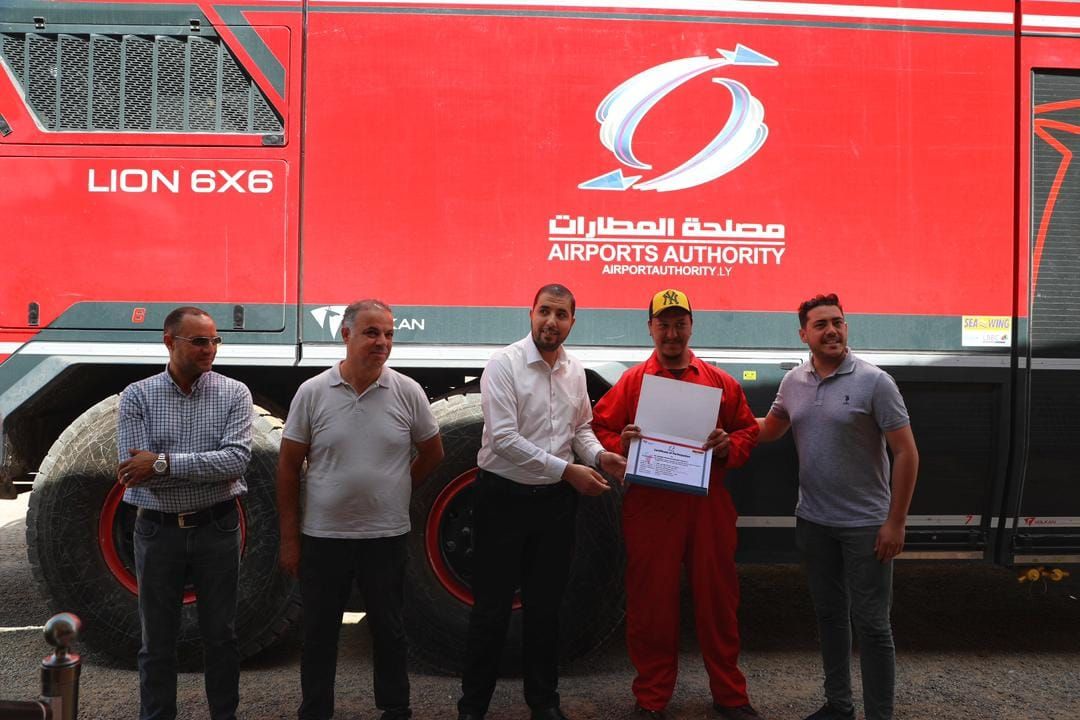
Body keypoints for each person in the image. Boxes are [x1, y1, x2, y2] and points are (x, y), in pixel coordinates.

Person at [591, 289, 763, 720]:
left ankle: (730, 695)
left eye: (679, 324)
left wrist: (728, 445)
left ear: (691, 326)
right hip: (652, 507)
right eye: (663, 324)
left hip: (707, 507)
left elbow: (747, 430)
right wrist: (621, 442)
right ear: (650, 328)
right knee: (651, 603)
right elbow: (599, 429)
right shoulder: (633, 383)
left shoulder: (719, 382)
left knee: (718, 601)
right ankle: (652, 697)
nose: (672, 333)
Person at [457, 284, 627, 720]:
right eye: (545, 312)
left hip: (554, 506)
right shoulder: (504, 364)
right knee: (491, 610)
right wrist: (568, 471)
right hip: (503, 499)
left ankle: (544, 703)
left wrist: (599, 457)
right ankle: (472, 707)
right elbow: (503, 439)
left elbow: (580, 429)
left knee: (546, 609)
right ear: (530, 313)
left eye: (561, 314)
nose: (552, 321)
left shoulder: (574, 370)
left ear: (573, 321)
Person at [277, 299, 444, 720]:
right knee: (319, 633)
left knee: (389, 629)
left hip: (385, 536)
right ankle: (315, 711)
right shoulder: (313, 392)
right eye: (372, 333)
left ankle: (395, 708)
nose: (382, 342)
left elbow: (433, 452)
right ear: (346, 334)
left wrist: (398, 486)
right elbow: (288, 466)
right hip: (324, 537)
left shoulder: (407, 391)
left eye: (388, 334)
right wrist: (289, 539)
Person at [756, 293, 919, 720]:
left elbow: (906, 453)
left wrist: (896, 522)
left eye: (837, 322)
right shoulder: (793, 382)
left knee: (873, 625)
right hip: (814, 521)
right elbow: (769, 429)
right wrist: (716, 427)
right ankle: (839, 706)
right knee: (830, 617)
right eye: (821, 324)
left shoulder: (875, 382)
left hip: (866, 526)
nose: (831, 330)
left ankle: (879, 715)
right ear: (803, 334)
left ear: (846, 327)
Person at [117, 306, 253, 720]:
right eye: (198, 341)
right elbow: (132, 472)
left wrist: (161, 463)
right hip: (158, 532)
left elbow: (236, 461)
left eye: (214, 340)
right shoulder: (137, 396)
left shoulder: (235, 393)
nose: (210, 349)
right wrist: (204, 470)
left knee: (222, 636)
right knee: (157, 641)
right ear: (169, 342)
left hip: (217, 528)